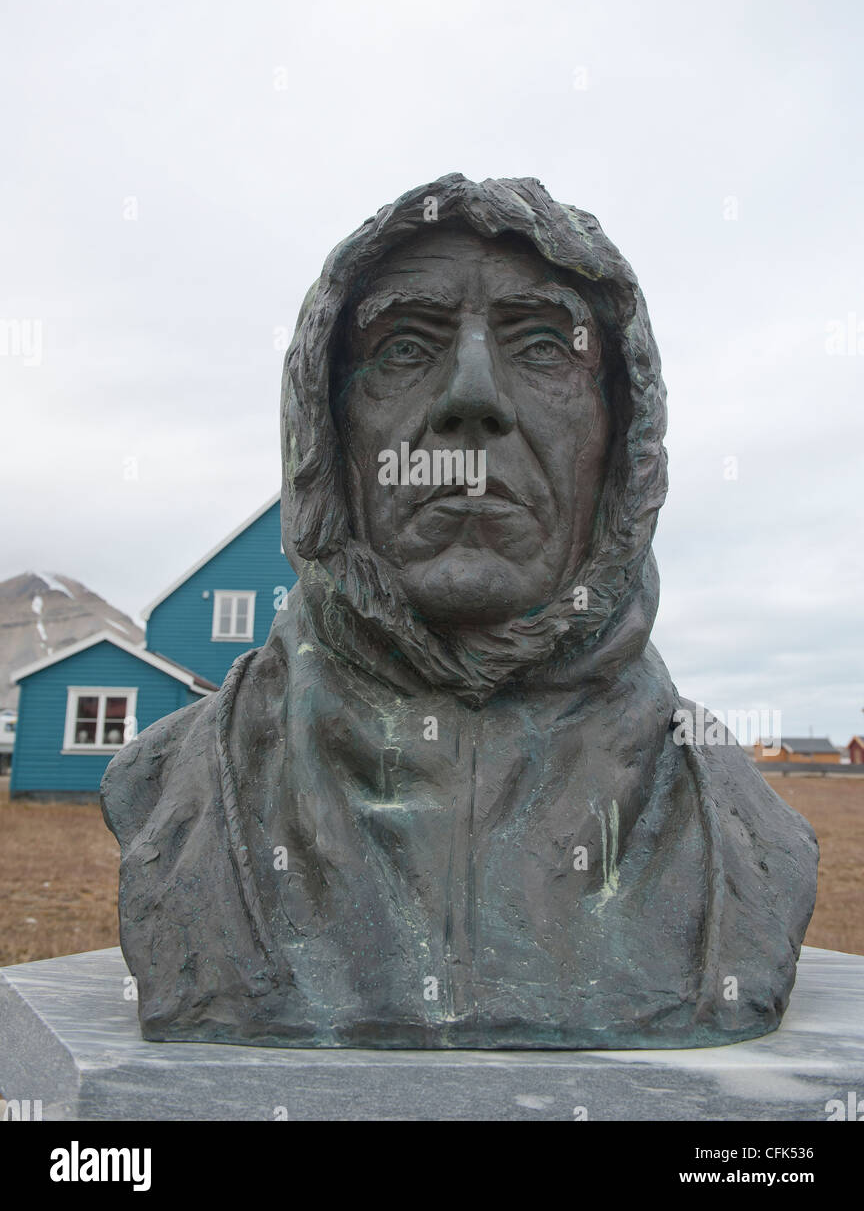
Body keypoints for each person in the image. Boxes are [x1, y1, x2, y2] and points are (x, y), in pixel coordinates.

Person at [101, 174, 817, 1048]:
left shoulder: (741, 834)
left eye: (547, 348)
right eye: (404, 347)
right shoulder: (174, 791)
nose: (472, 395)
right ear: (325, 431)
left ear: (621, 435)